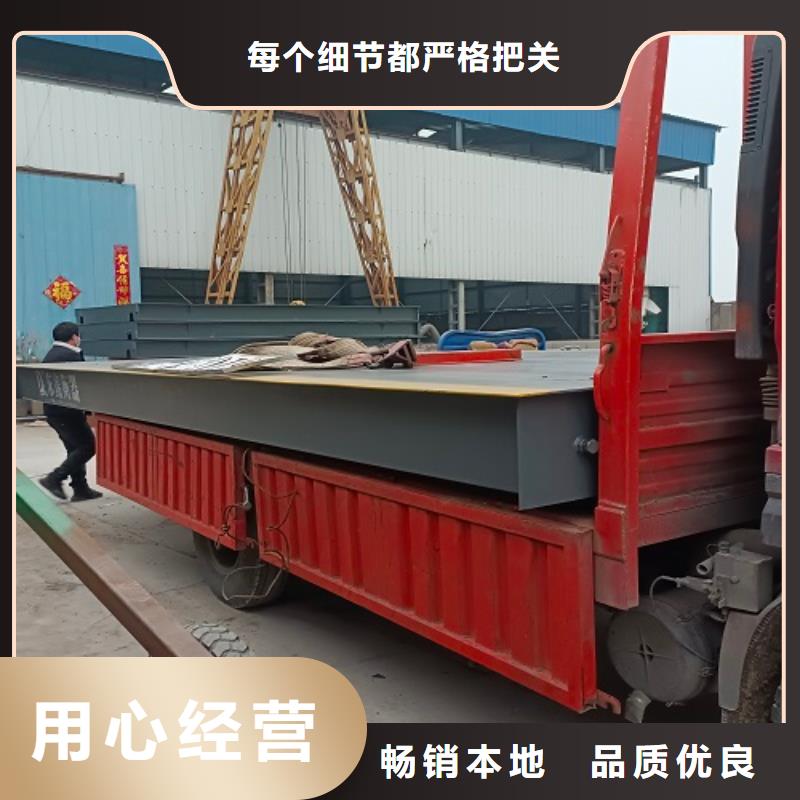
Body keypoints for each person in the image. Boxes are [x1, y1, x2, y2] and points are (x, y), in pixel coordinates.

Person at [38, 322, 103, 502]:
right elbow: (83, 383)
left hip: (55, 412)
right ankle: (54, 478)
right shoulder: (70, 355)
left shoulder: (52, 354)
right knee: (88, 446)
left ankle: (80, 489)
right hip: (67, 413)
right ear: (74, 337)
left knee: (74, 448)